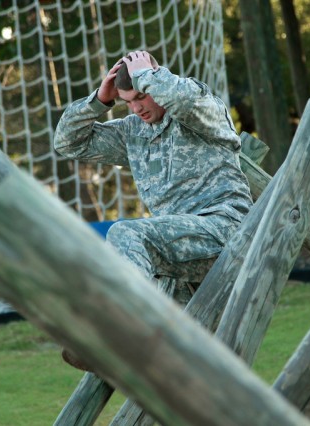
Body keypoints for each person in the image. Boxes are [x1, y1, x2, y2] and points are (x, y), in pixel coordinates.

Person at [54, 50, 253, 370]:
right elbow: (69, 144)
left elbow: (184, 100)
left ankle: (120, 331)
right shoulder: (133, 132)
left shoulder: (201, 109)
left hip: (226, 229)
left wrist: (148, 75)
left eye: (142, 97)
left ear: (156, 79)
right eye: (127, 101)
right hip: (176, 256)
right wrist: (98, 102)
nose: (137, 107)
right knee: (184, 370)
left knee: (125, 232)